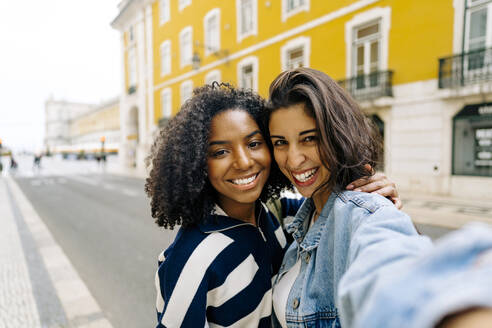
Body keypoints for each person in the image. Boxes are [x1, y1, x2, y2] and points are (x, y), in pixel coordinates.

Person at [145, 83, 399, 327]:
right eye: (220, 152)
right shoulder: (191, 260)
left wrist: (374, 191)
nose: (244, 162)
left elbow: (331, 208)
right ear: (196, 163)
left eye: (254, 144)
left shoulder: (278, 212)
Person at [266, 67, 492, 328]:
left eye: (310, 139)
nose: (293, 159)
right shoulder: (298, 217)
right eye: (280, 142)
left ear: (336, 135)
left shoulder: (364, 212)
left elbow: (390, 266)